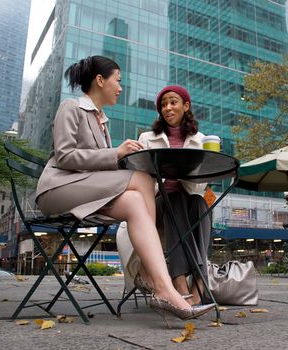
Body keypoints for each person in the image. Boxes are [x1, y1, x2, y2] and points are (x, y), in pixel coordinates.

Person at [34, 56, 215, 324]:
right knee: (142, 179)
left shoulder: (102, 123)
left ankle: (162, 287)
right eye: (117, 80)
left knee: (134, 202)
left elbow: (103, 171)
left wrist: (118, 158)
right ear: (100, 80)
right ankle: (157, 280)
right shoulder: (71, 107)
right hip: (58, 188)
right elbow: (64, 156)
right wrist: (116, 153)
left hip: (89, 193)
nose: (120, 87)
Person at [117, 85, 211, 306]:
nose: (168, 108)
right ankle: (180, 282)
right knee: (174, 199)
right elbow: (138, 176)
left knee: (200, 202)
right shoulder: (147, 138)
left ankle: (198, 281)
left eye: (173, 102)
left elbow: (199, 187)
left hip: (186, 205)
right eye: (163, 104)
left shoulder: (201, 140)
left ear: (185, 106)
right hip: (154, 207)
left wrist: (181, 172)